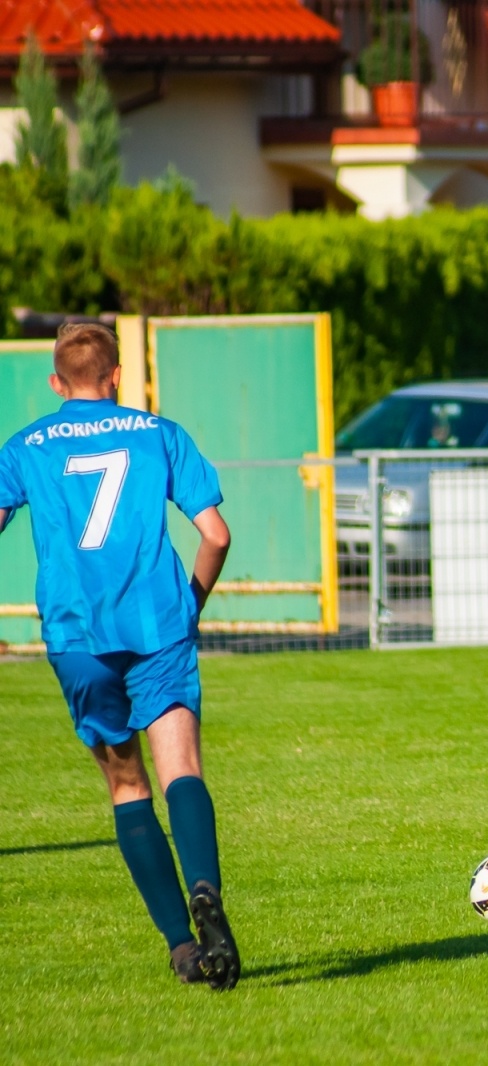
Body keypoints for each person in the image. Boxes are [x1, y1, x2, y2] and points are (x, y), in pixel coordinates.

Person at [0, 323, 241, 989]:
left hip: (77, 637)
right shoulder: (159, 433)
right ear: (116, 377)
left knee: (126, 785)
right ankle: (205, 892)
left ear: (56, 383)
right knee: (180, 770)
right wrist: (189, 601)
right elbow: (215, 535)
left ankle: (181, 948)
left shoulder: (25, 447)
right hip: (158, 623)